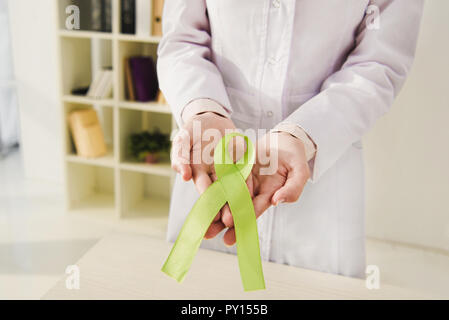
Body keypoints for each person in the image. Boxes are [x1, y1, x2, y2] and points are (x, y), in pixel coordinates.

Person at [157, 0, 424, 278]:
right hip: (211, 160)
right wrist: (204, 107)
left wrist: (302, 134)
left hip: (322, 163)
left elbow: (379, 62)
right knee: (203, 290)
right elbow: (181, 41)